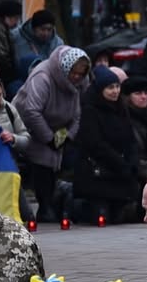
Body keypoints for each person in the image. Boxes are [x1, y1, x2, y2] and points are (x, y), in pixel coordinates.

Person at [14, 46, 91, 222]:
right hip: (29, 127)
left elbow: (78, 114)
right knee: (43, 162)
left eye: (81, 74)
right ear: (65, 68)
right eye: (74, 73)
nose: (77, 78)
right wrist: (49, 138)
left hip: (58, 126)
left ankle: (52, 205)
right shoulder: (42, 78)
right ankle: (45, 207)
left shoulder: (78, 83)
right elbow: (31, 111)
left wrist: (68, 136)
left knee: (57, 161)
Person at [72, 66, 140, 223]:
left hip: (120, 173)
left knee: (121, 217)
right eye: (110, 87)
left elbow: (130, 139)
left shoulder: (121, 108)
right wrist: (120, 162)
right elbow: (95, 144)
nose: (115, 91)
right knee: (100, 217)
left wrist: (131, 162)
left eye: (117, 86)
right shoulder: (90, 110)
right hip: (98, 175)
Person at [13, 9, 63, 82]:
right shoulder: (16, 37)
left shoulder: (57, 43)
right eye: (42, 29)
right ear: (34, 28)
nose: (46, 33)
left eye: (49, 30)